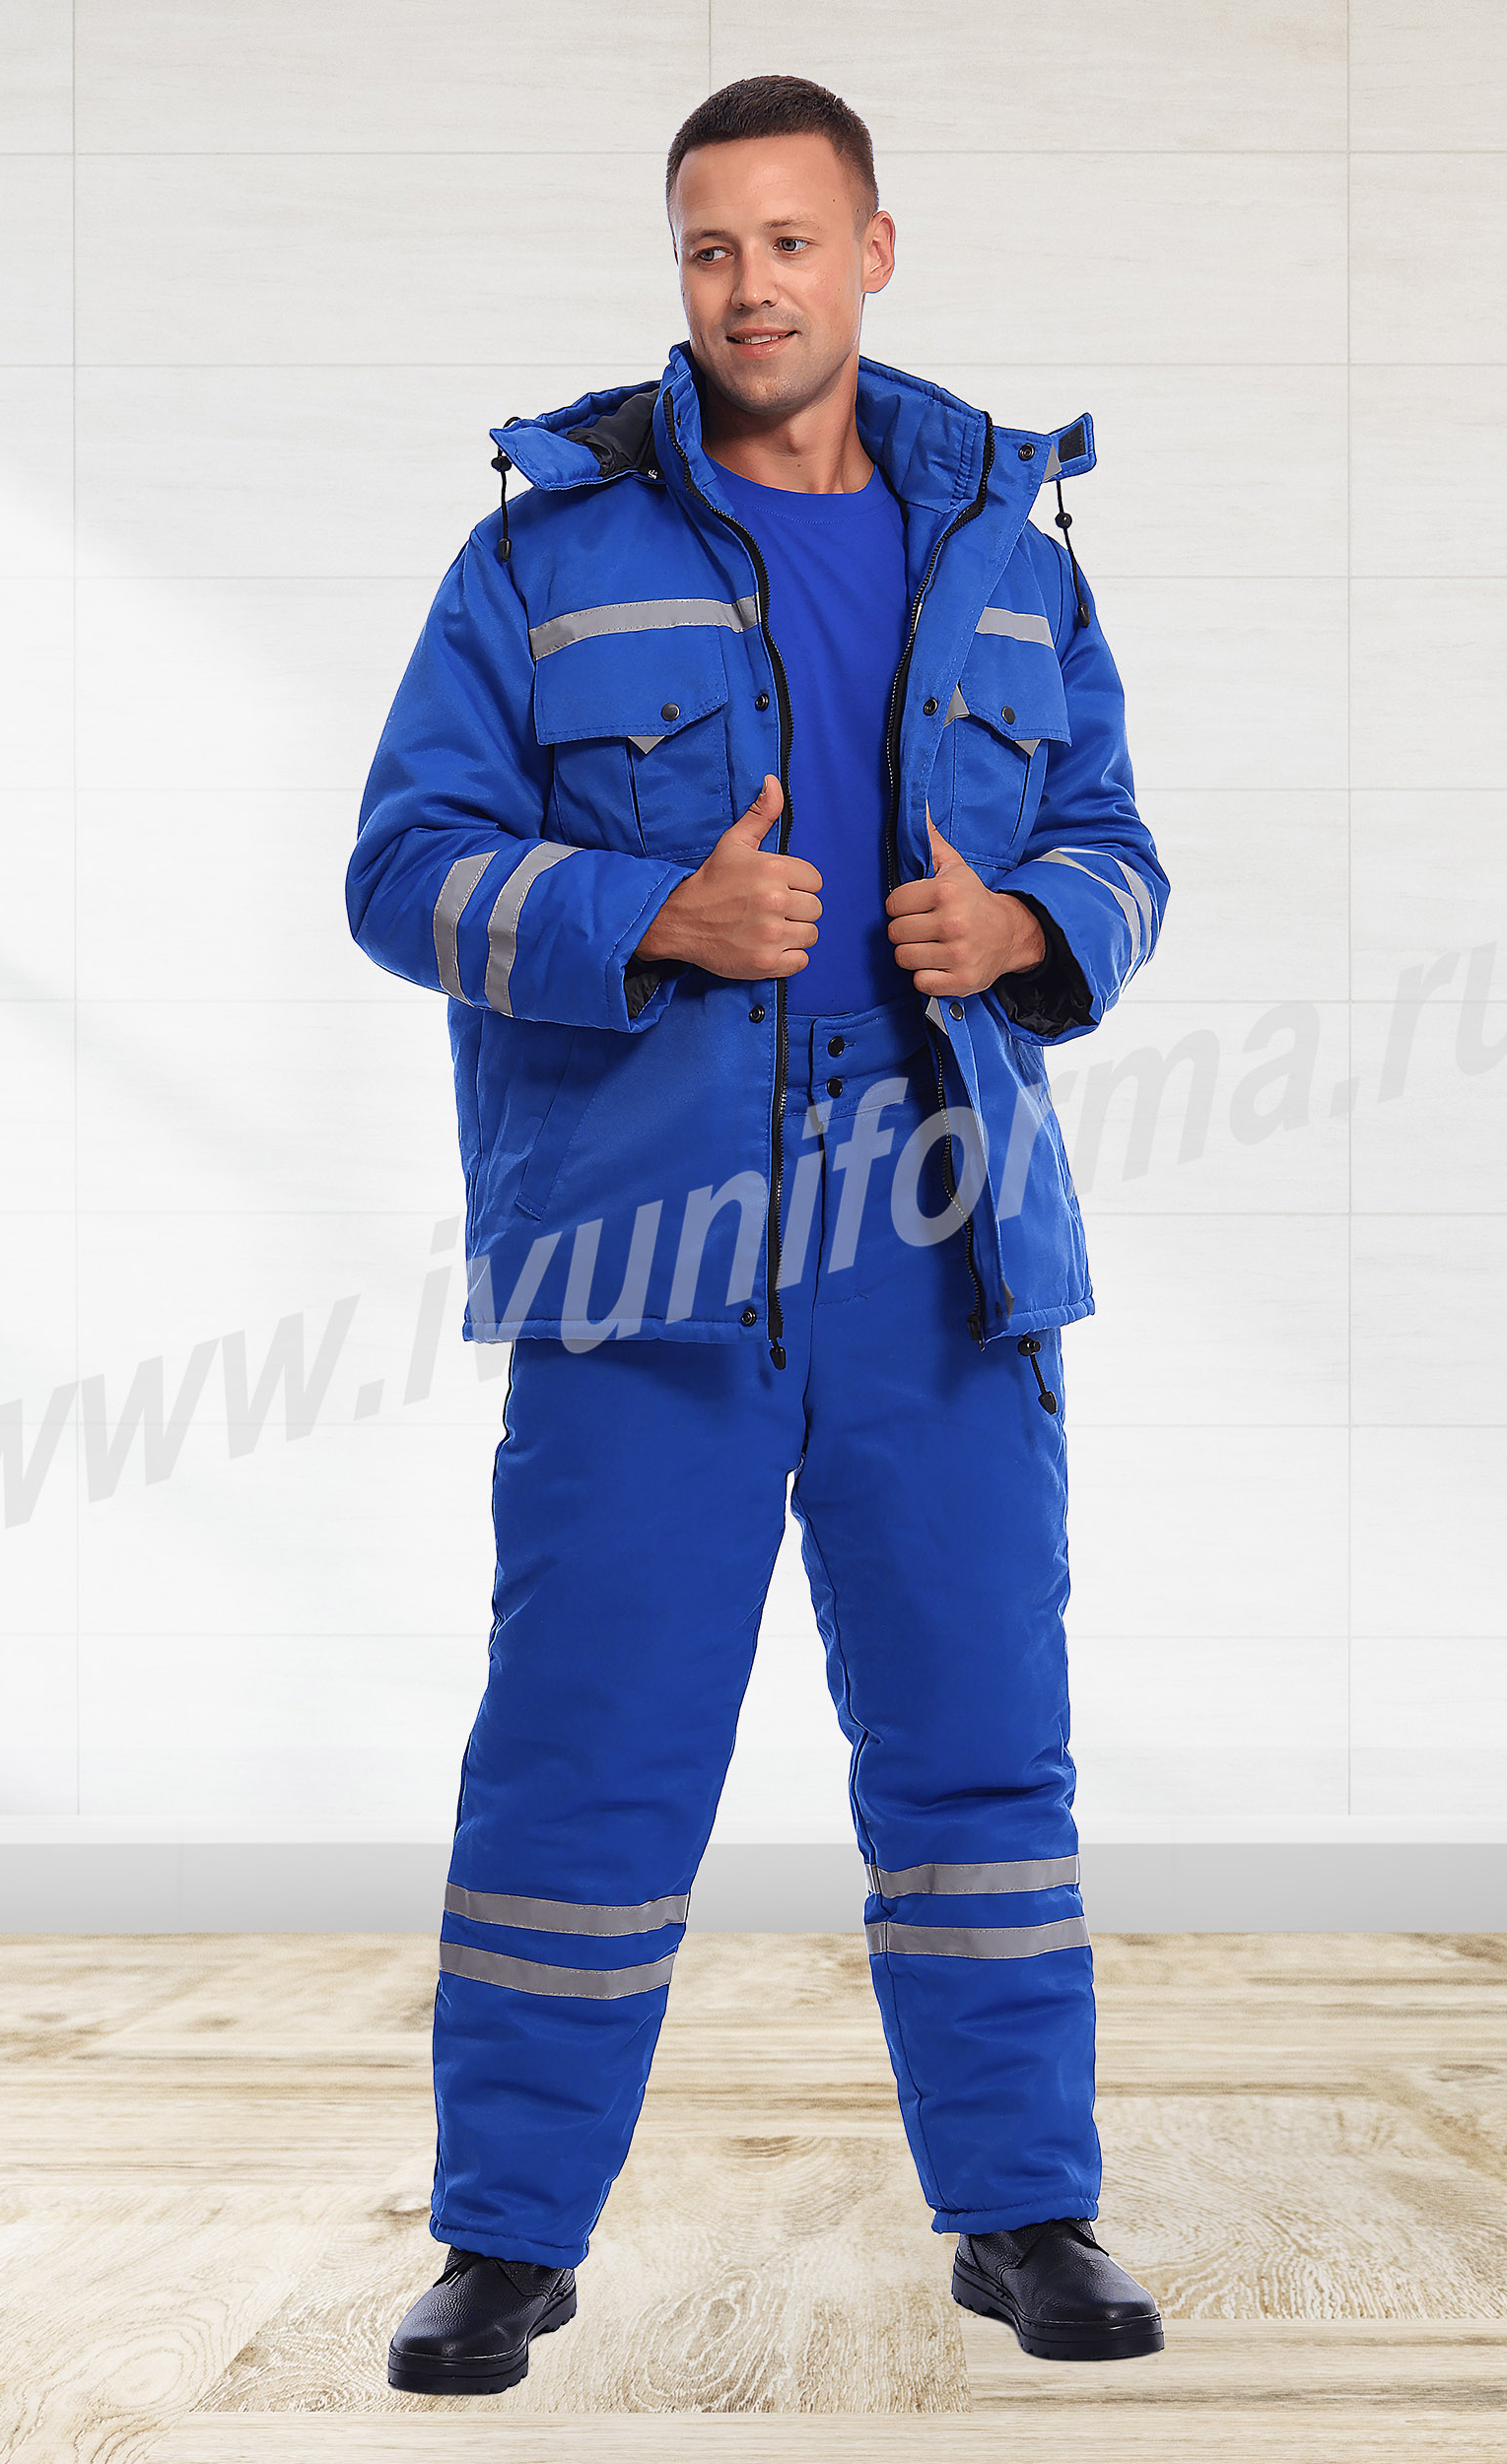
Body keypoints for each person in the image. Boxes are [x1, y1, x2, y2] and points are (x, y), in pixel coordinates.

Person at [346, 74, 1169, 2398]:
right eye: (709, 248)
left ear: (871, 252)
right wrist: (651, 910)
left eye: (789, 242)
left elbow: (1116, 839)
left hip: (944, 1231)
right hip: (648, 1245)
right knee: (584, 1754)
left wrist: (1029, 923)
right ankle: (504, 2237)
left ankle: (1024, 2209)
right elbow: (399, 869)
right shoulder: (541, 553)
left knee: (980, 1745)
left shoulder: (1009, 547)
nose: (747, 288)